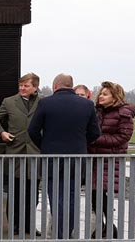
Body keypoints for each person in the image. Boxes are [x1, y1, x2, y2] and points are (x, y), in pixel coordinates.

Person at [28, 73, 101, 239]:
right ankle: (67, 233)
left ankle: (59, 233)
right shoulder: (87, 105)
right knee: (72, 197)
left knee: (55, 197)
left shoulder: (45, 103)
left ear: (55, 86)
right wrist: (80, 144)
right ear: (71, 86)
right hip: (76, 159)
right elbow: (95, 133)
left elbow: (32, 130)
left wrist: (44, 146)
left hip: (51, 159)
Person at [0, 72, 42, 236]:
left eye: (26, 85)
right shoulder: (9, 101)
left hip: (36, 153)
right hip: (15, 152)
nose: (22, 88)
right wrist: (2, 133)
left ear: (35, 87)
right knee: (15, 193)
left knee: (32, 194)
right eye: (20, 85)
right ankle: (14, 225)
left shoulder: (44, 103)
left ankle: (29, 225)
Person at [88, 81, 135, 238]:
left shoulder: (123, 113)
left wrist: (96, 139)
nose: (100, 96)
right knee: (94, 192)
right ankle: (103, 225)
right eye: (100, 93)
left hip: (110, 159)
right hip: (94, 158)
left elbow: (123, 136)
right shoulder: (96, 111)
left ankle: (108, 225)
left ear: (115, 97)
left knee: (102, 192)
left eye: (105, 94)